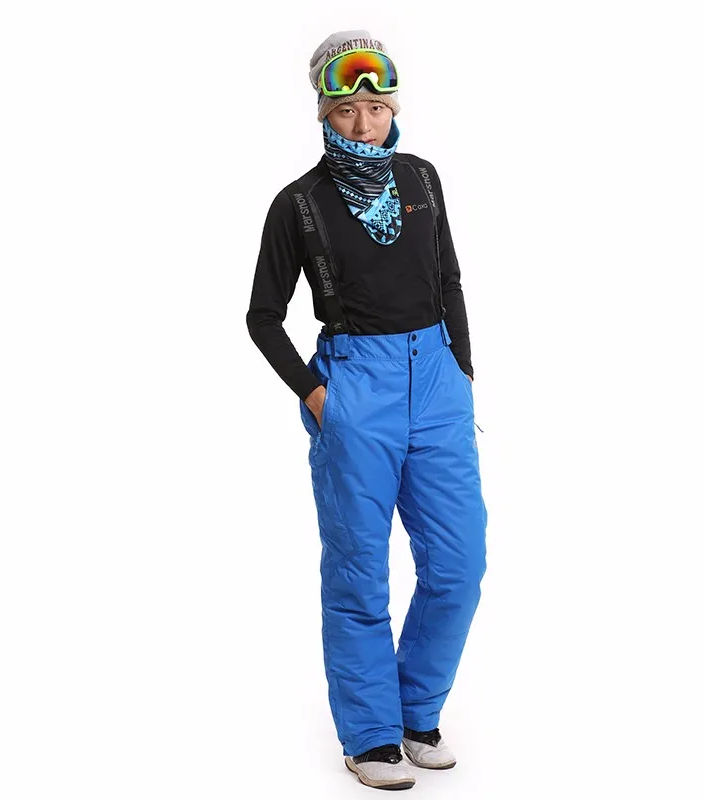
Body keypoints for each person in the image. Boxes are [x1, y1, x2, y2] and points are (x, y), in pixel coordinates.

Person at [246, 30, 488, 791]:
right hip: (356, 386)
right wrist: (319, 395)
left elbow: (448, 278)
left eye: (377, 107)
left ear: (393, 110)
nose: (365, 123)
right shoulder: (299, 203)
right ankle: (371, 735)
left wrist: (462, 371)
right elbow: (262, 317)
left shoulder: (421, 177)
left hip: (437, 381)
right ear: (323, 110)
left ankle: (417, 715)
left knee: (460, 565)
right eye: (348, 109)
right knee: (359, 573)